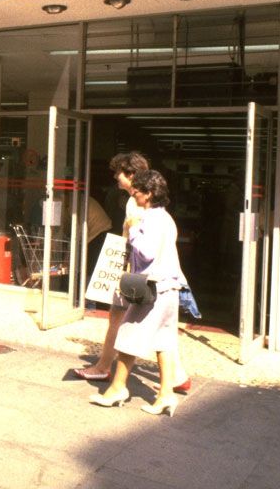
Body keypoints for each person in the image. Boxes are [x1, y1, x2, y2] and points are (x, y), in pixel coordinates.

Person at [75, 152, 191, 394]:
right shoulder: (158, 210)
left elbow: (142, 246)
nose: (116, 178)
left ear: (130, 175)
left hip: (140, 276)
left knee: (125, 324)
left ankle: (110, 374)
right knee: (158, 330)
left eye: (118, 173)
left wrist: (125, 268)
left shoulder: (137, 204)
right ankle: (174, 378)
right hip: (155, 277)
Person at [89, 170, 184, 417]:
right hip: (170, 287)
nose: (134, 194)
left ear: (149, 194)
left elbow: (146, 253)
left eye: (138, 191)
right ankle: (166, 394)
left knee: (128, 334)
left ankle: (117, 389)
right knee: (163, 342)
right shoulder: (167, 219)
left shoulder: (149, 219)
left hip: (152, 289)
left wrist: (132, 229)